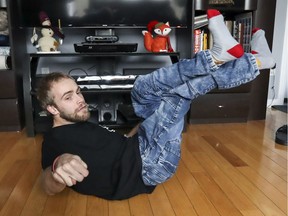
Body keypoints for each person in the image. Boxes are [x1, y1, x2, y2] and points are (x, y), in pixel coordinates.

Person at [37, 10, 275, 200]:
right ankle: (254, 62)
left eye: (78, 91)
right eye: (68, 97)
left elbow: (122, 145)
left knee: (143, 87)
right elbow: (47, 185)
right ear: (52, 109)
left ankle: (225, 58)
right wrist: (60, 165)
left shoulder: (81, 124)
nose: (80, 99)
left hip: (140, 145)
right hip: (150, 166)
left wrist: (147, 123)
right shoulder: (55, 141)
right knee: (177, 95)